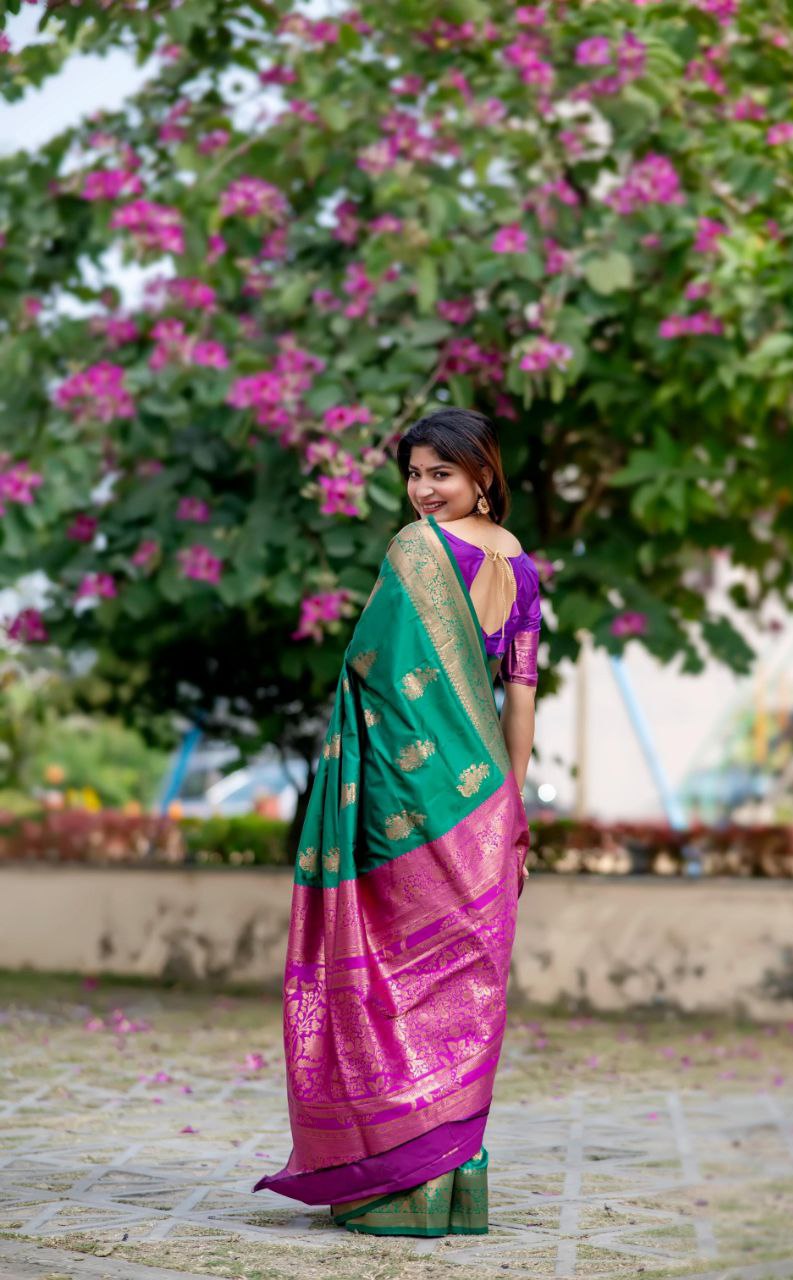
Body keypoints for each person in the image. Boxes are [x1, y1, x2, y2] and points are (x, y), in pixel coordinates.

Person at [253, 407, 541, 1236]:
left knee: (392, 974)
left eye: (439, 474)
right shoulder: (521, 570)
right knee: (460, 980)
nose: (422, 491)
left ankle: (396, 1185)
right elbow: (520, 697)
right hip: (481, 801)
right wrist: (511, 807)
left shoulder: (416, 553)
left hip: (405, 804)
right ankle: (445, 1183)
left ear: (482, 474)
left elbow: (370, 674)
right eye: (413, 474)